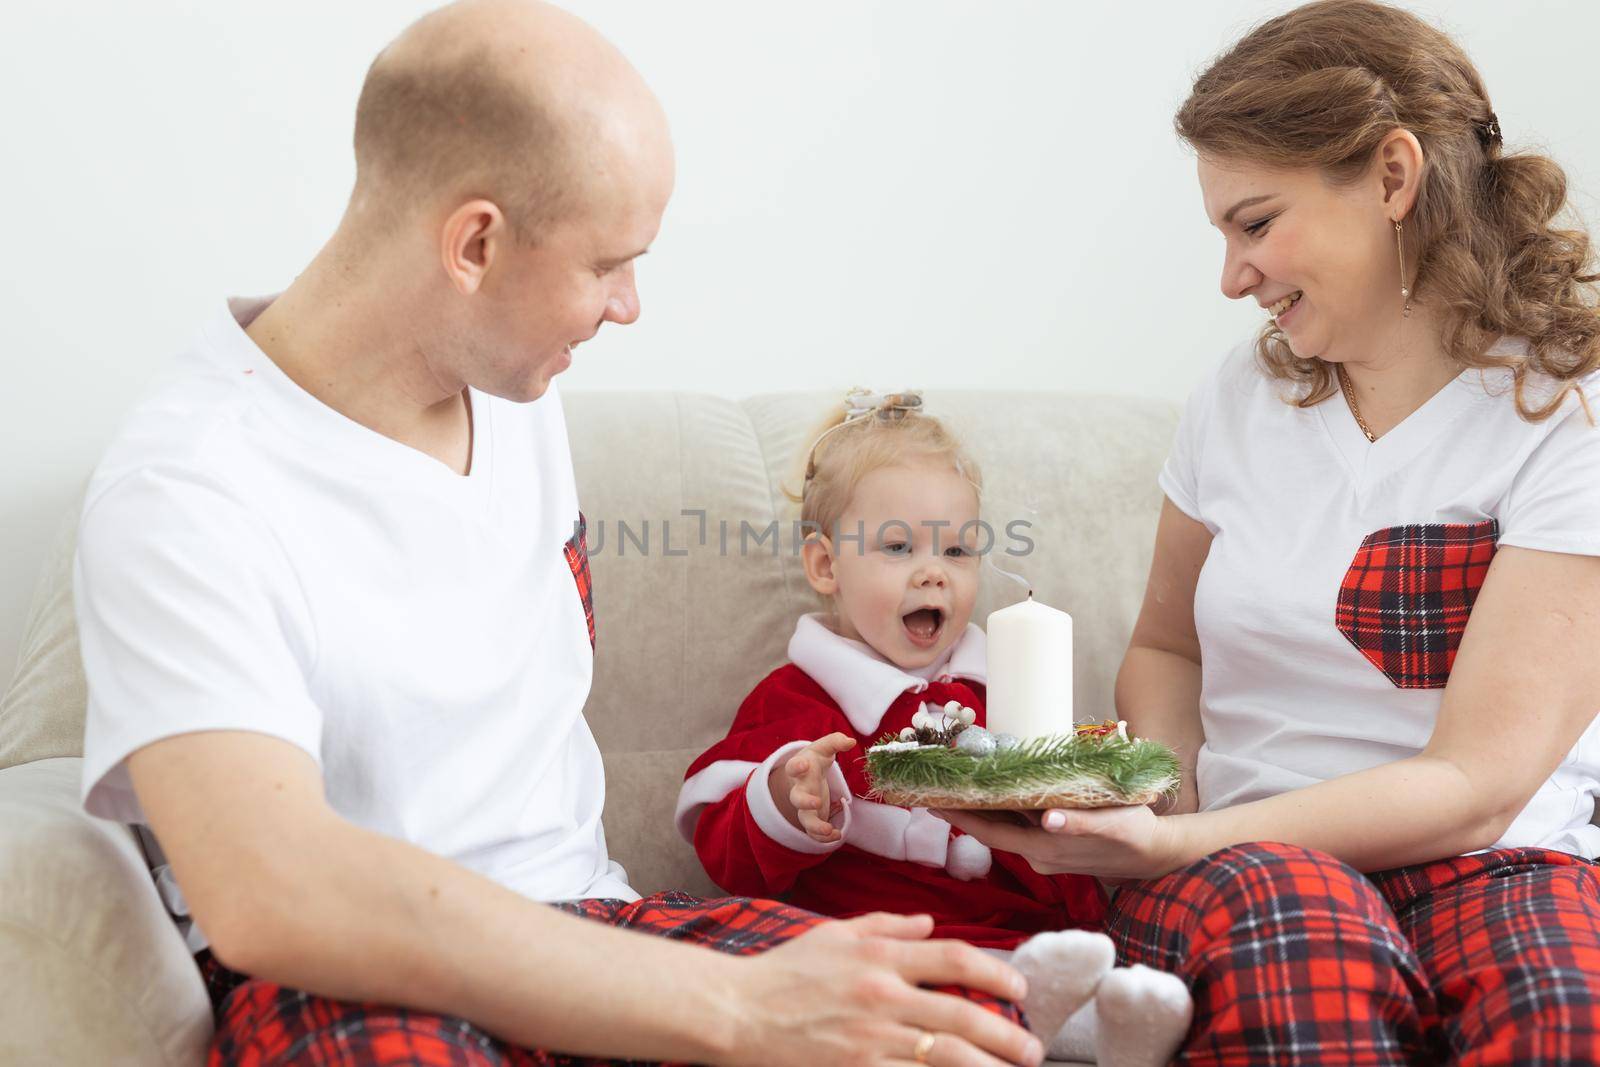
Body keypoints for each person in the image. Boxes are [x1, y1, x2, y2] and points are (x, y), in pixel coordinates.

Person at [71, 3, 1046, 1065]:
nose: (628, 303)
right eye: (606, 264)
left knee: (949, 1020)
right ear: (475, 243)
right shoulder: (186, 490)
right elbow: (272, 891)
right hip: (353, 974)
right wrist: (734, 1009)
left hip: (591, 917)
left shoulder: (517, 388)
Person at [936, 1, 1600, 1063]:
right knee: (1307, 954)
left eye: (1254, 223)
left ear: (1392, 178)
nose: (1232, 276)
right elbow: (1165, 646)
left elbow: (1478, 786)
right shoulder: (1238, 399)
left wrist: (1182, 834)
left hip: (1497, 859)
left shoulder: (1566, 416)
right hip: (1249, 863)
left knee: (1564, 1008)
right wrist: (1175, 794)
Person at [677, 391, 1194, 1064]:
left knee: (1079, 963)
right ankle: (1062, 1022)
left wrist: (1096, 791)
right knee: (944, 989)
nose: (933, 572)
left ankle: (1098, 1025)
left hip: (1027, 937)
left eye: (956, 549)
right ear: (826, 565)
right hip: (889, 948)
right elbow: (721, 836)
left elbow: (1059, 839)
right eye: (898, 547)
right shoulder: (801, 699)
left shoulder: (1003, 690)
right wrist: (784, 793)